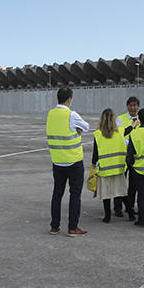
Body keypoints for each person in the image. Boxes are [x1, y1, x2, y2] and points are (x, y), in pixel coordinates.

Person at [47, 86, 90, 236]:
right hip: (73, 161)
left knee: (57, 194)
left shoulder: (50, 114)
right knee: (75, 194)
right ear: (69, 99)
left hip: (57, 161)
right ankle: (72, 227)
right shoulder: (71, 115)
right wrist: (78, 130)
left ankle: (54, 226)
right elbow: (86, 126)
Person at [92, 108, 128, 223]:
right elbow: (128, 132)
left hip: (105, 168)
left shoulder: (97, 134)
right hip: (118, 167)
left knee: (106, 194)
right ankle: (130, 213)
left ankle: (107, 216)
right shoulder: (120, 131)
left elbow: (95, 153)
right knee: (121, 192)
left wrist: (93, 166)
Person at [114, 96, 140, 220]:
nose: (133, 108)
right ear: (127, 106)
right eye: (131, 105)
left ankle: (130, 206)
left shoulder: (142, 119)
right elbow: (119, 135)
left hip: (135, 155)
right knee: (120, 181)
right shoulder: (120, 119)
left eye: (135, 105)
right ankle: (117, 207)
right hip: (123, 154)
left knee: (133, 183)